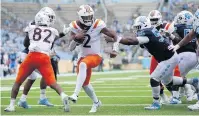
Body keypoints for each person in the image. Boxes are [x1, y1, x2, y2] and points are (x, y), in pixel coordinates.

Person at [115, 16, 199, 110]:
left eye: (138, 27)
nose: (137, 29)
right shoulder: (150, 31)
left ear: (144, 25)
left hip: (168, 58)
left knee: (154, 79)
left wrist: (118, 39)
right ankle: (193, 81)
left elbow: (131, 41)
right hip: (169, 56)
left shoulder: (147, 33)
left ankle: (156, 103)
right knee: (168, 81)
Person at [4, 10, 70, 112]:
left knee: (18, 82)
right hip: (43, 57)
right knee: (52, 81)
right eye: (49, 17)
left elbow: (27, 42)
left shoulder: (31, 27)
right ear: (46, 19)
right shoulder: (53, 30)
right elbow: (51, 40)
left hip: (31, 56)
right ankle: (63, 95)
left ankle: (12, 105)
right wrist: (63, 33)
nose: (51, 20)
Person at [67, 5, 120, 113]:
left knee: (82, 64)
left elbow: (115, 35)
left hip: (95, 56)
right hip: (82, 56)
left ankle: (75, 94)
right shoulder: (74, 26)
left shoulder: (98, 24)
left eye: (90, 16)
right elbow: (70, 48)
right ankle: (96, 102)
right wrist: (76, 39)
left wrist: (115, 48)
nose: (88, 19)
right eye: (86, 17)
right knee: (85, 84)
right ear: (80, 17)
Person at [170, 9, 199, 111]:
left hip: (185, 55)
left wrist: (175, 43)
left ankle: (177, 96)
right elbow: (190, 37)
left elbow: (182, 38)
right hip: (194, 56)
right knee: (180, 76)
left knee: (174, 76)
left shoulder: (179, 27)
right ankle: (188, 93)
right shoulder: (193, 27)